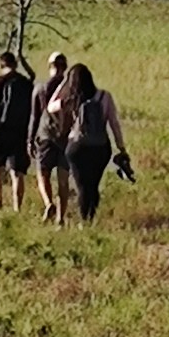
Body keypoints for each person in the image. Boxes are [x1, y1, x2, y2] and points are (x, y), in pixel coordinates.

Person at [61, 62, 132, 221]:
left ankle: (84, 220)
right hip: (100, 147)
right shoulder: (104, 96)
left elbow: (52, 106)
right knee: (93, 185)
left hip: (77, 147)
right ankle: (91, 216)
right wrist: (121, 147)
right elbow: (113, 123)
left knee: (82, 186)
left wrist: (63, 85)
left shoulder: (72, 98)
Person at [31, 51, 84, 223]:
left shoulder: (40, 87)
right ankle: (61, 218)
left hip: (45, 136)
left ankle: (48, 203)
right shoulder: (72, 90)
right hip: (66, 138)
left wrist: (29, 139)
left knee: (42, 174)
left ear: (50, 66)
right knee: (63, 179)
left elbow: (34, 116)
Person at [0, 52, 35, 209]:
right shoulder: (25, 82)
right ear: (16, 64)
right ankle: (18, 207)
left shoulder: (0, 81)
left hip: (1, 130)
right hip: (20, 131)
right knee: (17, 172)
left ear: (1, 64)